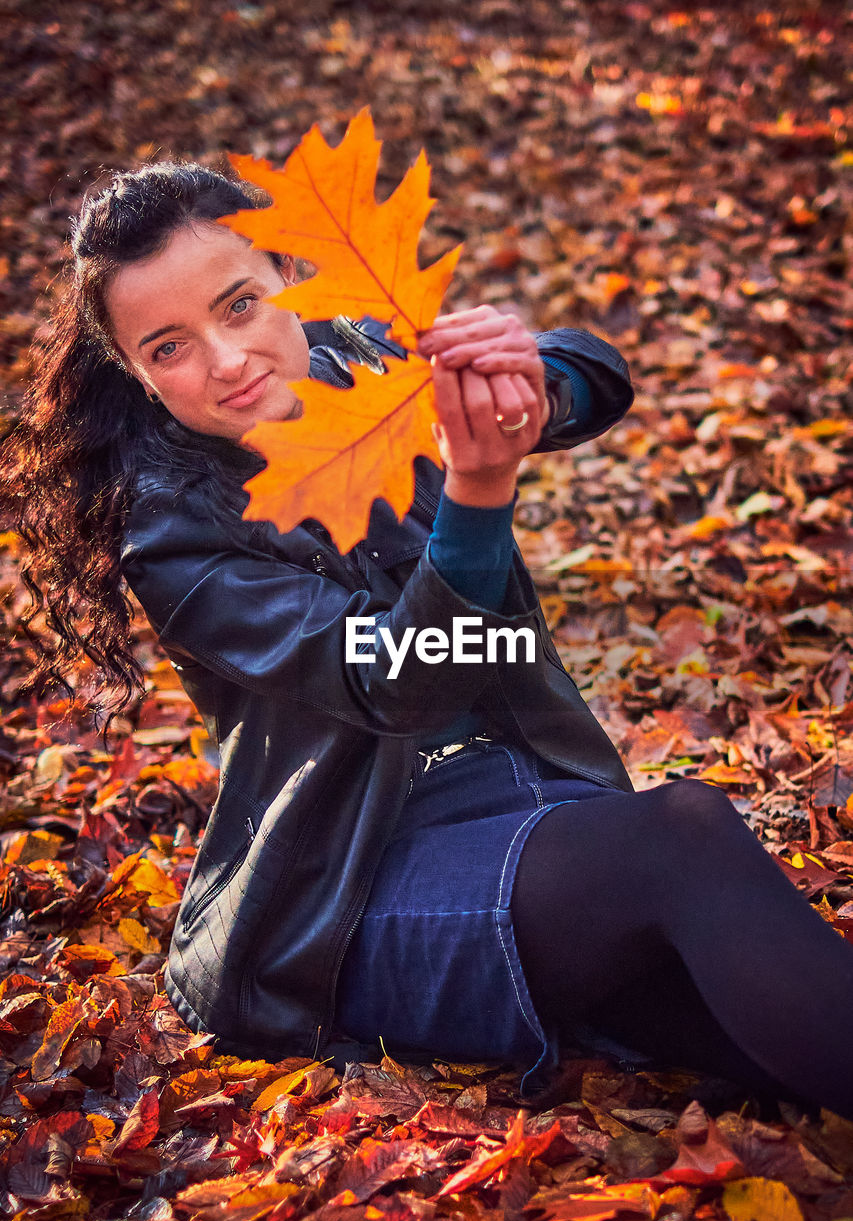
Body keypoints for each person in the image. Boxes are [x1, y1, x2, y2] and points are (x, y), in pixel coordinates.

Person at [10, 160, 853, 1122]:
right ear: (135, 373)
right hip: (347, 892)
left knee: (713, 990)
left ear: (292, 277)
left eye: (239, 304)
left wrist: (531, 385)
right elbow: (398, 685)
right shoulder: (171, 536)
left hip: (532, 806)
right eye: (169, 348)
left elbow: (594, 365)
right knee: (684, 840)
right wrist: (477, 493)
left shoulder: (364, 360)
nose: (226, 359)